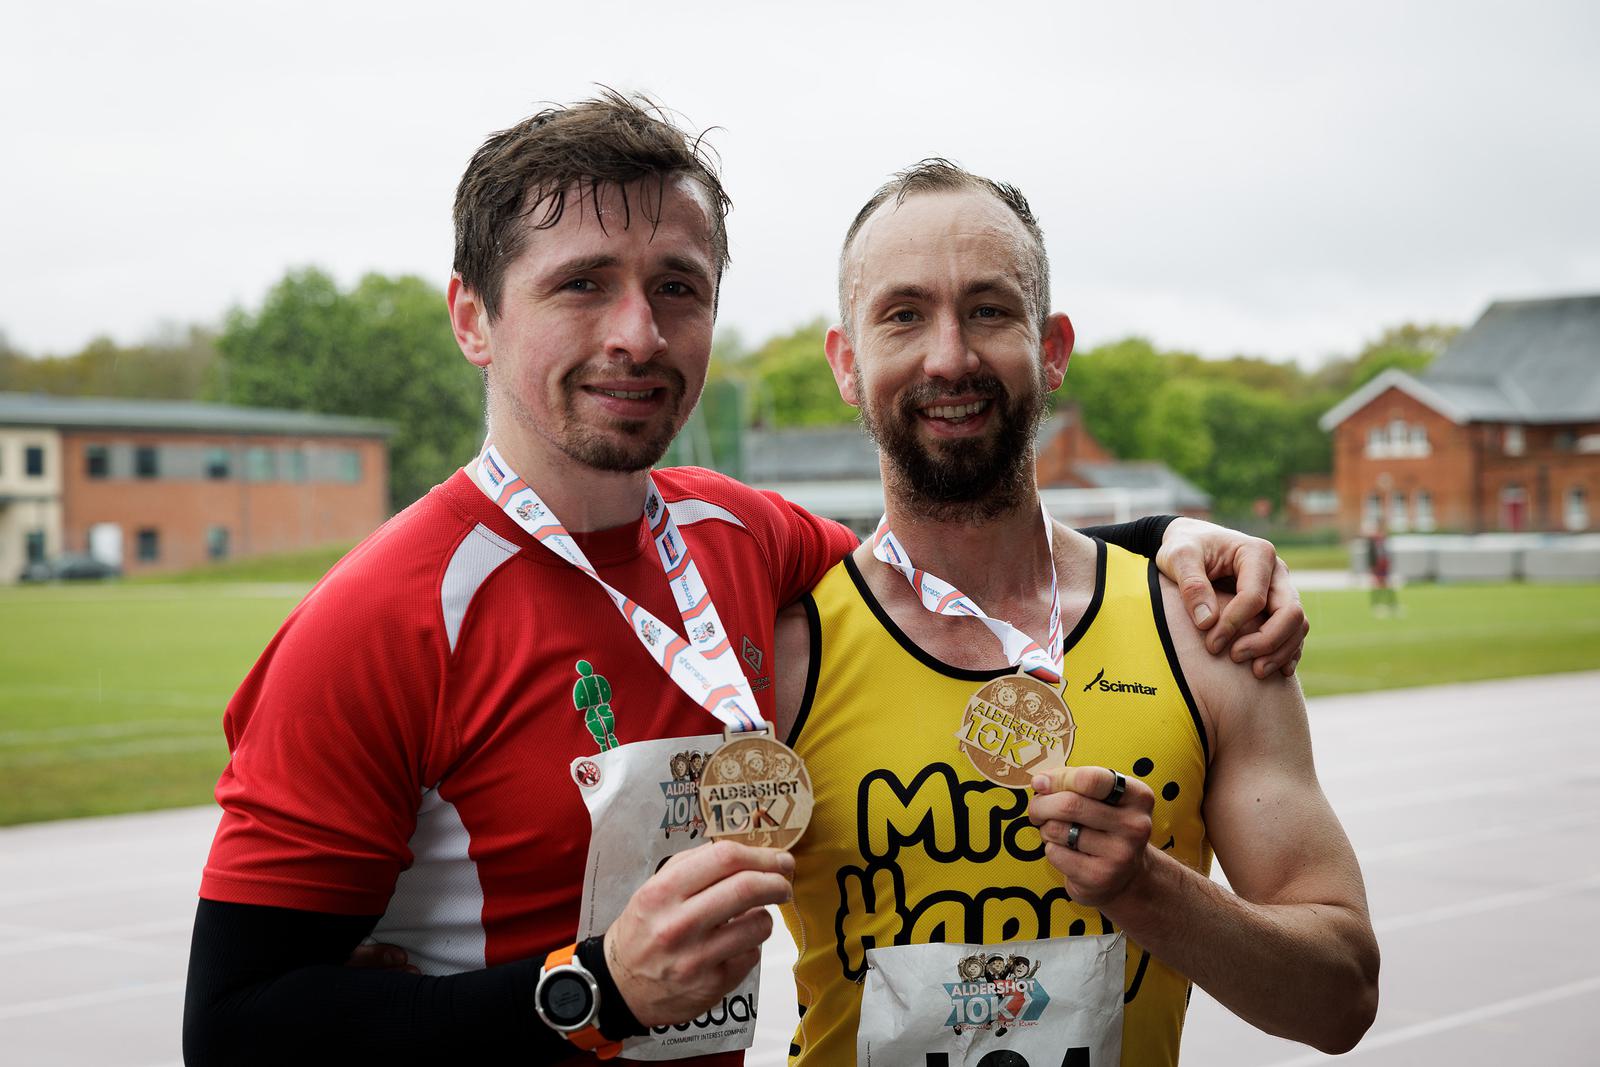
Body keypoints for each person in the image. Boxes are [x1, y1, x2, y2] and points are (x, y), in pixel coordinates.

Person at [182, 94, 1309, 1066]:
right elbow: (232, 1028)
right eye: (582, 284)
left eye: (677, 286)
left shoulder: (738, 535)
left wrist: (1177, 537)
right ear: (473, 315)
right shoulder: (381, 618)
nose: (638, 331)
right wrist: (594, 990)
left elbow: (950, 550)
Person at [772, 161, 1378, 1065]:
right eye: (903, 314)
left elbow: (1342, 997)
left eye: (989, 309)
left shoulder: (1201, 629)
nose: (950, 356)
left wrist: (1150, 890)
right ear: (846, 363)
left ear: (1051, 346)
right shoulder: (779, 653)